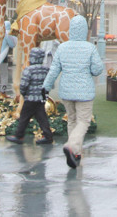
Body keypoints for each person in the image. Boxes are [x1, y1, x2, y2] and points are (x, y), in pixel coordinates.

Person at [43, 15, 103, 169]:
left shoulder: (63, 47)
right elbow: (97, 69)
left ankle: (75, 153)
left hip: (67, 91)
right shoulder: (90, 48)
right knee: (83, 121)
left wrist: (46, 86)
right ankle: (72, 146)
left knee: (72, 120)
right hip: (84, 92)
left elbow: (54, 70)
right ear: (84, 31)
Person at [6, 47, 53, 145]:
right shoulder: (46, 69)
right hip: (41, 99)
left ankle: (19, 136)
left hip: (30, 99)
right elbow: (50, 84)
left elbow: (23, 85)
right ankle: (48, 136)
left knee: (24, 117)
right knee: (42, 117)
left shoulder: (29, 70)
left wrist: (24, 93)